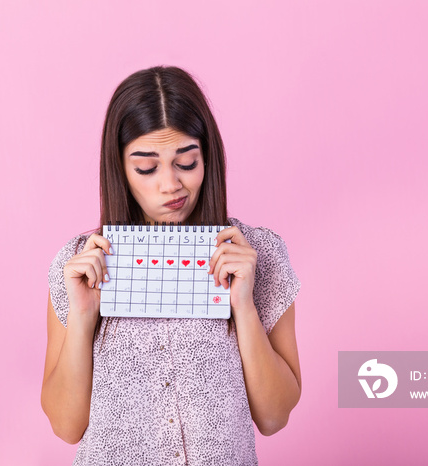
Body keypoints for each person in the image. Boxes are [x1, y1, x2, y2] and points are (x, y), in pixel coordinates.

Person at [42, 65, 302, 465]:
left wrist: (244, 308)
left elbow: (273, 416)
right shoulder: (79, 265)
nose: (170, 185)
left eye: (186, 162)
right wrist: (81, 316)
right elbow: (65, 425)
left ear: (207, 157)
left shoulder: (258, 254)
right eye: (146, 168)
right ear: (120, 169)